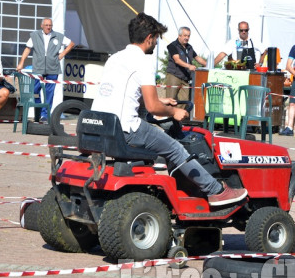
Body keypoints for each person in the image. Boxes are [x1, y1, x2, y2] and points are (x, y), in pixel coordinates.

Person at [94, 12, 247, 206]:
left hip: (103, 125)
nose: (156, 43)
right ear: (149, 38)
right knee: (175, 148)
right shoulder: (142, 61)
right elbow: (152, 107)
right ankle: (215, 190)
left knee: (162, 140)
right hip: (126, 129)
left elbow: (127, 96)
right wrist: (174, 112)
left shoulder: (115, 58)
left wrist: (162, 100)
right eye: (156, 39)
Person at [16, 18, 75, 123]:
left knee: (49, 93)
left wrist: (61, 55)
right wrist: (21, 62)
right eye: (47, 25)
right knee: (34, 91)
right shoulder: (35, 35)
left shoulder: (58, 36)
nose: (48, 27)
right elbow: (27, 48)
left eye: (50, 25)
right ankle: (38, 113)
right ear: (42, 25)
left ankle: (45, 115)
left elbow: (71, 44)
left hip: (53, 68)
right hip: (38, 67)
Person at [165, 26, 207, 102]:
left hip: (185, 79)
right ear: (179, 36)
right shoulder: (172, 46)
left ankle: (177, 113)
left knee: (184, 101)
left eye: (188, 36)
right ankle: (167, 114)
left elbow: (197, 57)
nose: (187, 38)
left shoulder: (189, 47)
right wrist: (189, 66)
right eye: (185, 35)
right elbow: (177, 60)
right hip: (174, 76)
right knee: (170, 100)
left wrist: (208, 64)